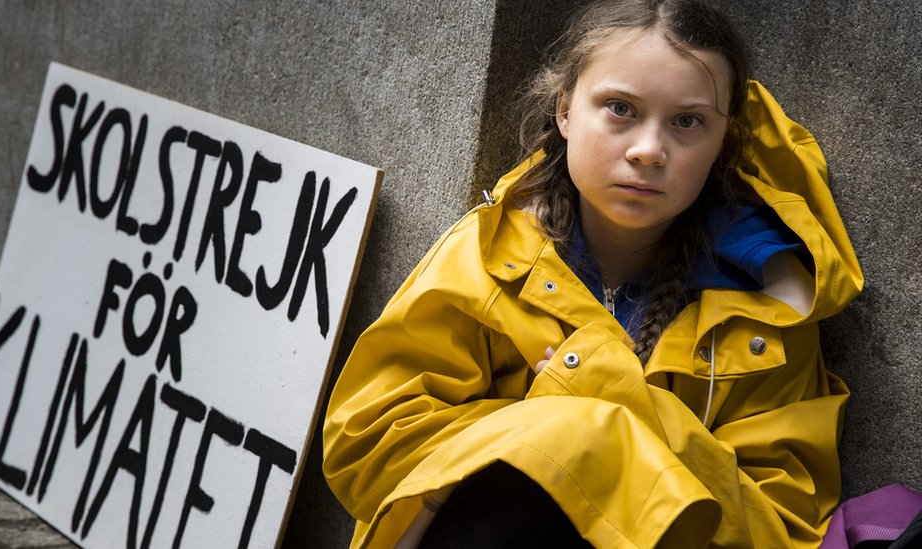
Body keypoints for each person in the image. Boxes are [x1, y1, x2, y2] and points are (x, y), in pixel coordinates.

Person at [323, 0, 863, 547]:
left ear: (724, 138)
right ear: (564, 111)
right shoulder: (489, 256)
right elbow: (366, 445)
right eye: (620, 109)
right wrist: (567, 431)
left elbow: (782, 529)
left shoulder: (770, 304)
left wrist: (612, 397)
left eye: (688, 121)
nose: (649, 150)